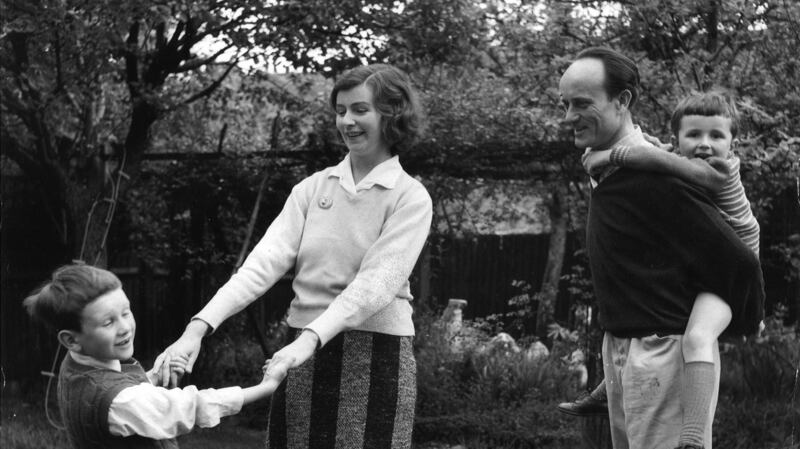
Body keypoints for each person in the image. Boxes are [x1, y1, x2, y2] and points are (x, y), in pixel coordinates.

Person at [156, 63, 433, 449]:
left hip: (375, 353)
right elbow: (261, 265)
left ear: (391, 113)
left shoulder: (410, 197)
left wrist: (307, 341)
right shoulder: (311, 189)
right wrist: (197, 329)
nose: (347, 121)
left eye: (359, 109)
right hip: (300, 352)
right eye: (340, 111)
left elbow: (375, 286)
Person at [557, 47, 764, 449]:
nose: (568, 116)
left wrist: (747, 316)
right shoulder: (620, 167)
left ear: (623, 101)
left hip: (661, 353)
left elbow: (739, 258)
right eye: (565, 104)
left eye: (581, 103)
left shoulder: (659, 178)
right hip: (625, 345)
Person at [23, 263, 287, 449]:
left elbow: (118, 393)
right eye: (108, 322)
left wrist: (153, 377)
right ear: (71, 339)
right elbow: (192, 407)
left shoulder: (76, 364)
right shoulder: (122, 400)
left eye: (126, 312)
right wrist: (267, 387)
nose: (125, 327)